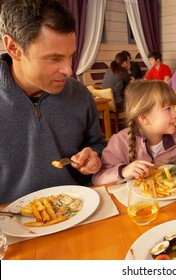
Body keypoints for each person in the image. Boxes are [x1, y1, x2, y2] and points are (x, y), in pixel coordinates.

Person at [0, 0, 107, 204]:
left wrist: (94, 156)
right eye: (54, 58)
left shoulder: (80, 94)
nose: (69, 70)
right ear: (14, 48)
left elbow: (98, 144)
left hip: (82, 210)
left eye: (70, 57)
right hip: (11, 228)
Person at [93, 80, 176, 184]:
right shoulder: (119, 142)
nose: (175, 115)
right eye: (168, 109)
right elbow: (98, 179)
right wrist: (123, 172)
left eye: (174, 108)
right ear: (144, 118)